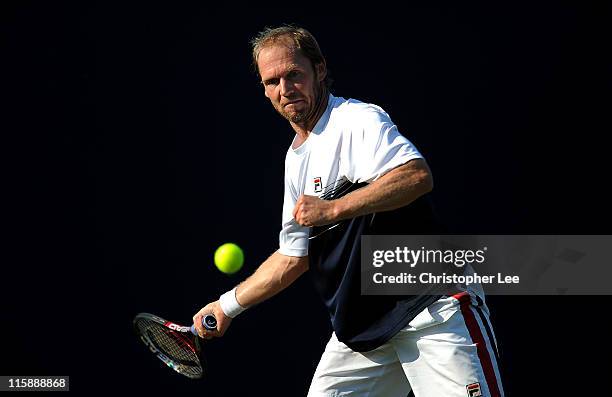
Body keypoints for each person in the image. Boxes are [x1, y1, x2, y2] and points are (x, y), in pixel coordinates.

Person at [193, 25, 504, 397]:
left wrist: (334, 208)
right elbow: (294, 256)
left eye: (294, 74)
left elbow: (416, 176)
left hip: (431, 311)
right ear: (263, 89)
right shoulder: (296, 161)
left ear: (319, 70)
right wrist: (227, 306)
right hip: (365, 333)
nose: (285, 88)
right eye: (272, 81)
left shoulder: (356, 120)